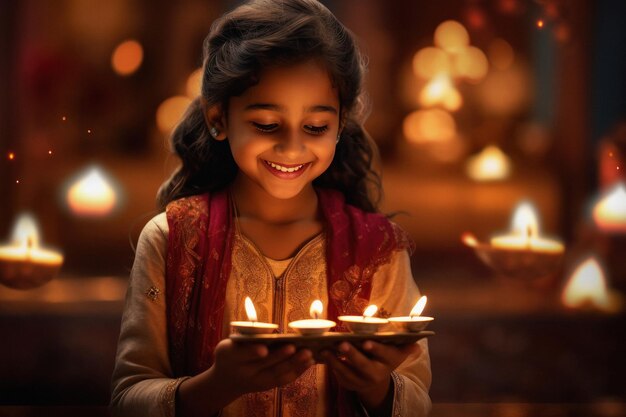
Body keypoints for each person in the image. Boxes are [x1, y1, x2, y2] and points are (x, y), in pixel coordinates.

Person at [110, 0, 432, 416]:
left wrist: (377, 388)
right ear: (218, 118)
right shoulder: (173, 239)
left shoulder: (378, 251)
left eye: (316, 127)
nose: (293, 147)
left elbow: (417, 399)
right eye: (266, 124)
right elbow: (128, 398)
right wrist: (218, 384)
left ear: (341, 125)